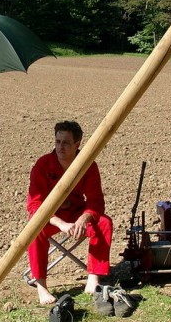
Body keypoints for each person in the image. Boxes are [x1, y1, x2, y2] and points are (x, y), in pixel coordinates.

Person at [26, 120, 113, 305]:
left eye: (66, 143)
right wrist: (61, 224)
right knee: (34, 230)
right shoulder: (43, 165)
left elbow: (96, 202)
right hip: (51, 217)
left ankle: (93, 278)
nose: (60, 147)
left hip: (77, 212)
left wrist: (83, 219)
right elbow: (35, 206)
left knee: (104, 223)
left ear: (77, 144)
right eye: (57, 142)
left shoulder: (88, 165)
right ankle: (41, 285)